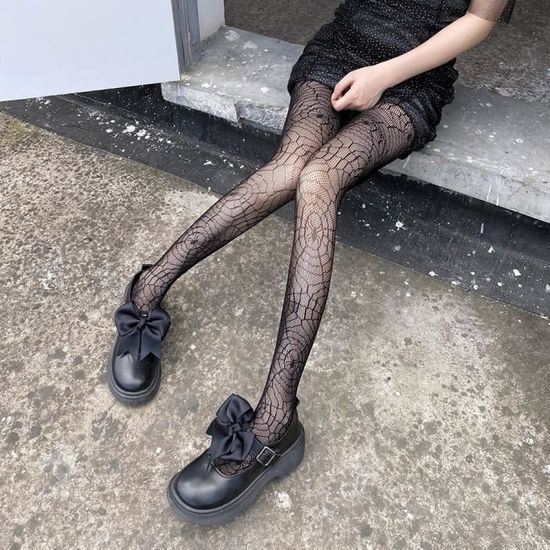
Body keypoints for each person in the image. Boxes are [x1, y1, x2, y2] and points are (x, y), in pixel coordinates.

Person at [106, 0, 513, 525]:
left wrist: (384, 75)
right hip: (344, 47)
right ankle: (147, 289)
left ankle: (276, 423)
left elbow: (478, 20)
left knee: (320, 178)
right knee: (289, 168)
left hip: (414, 75)